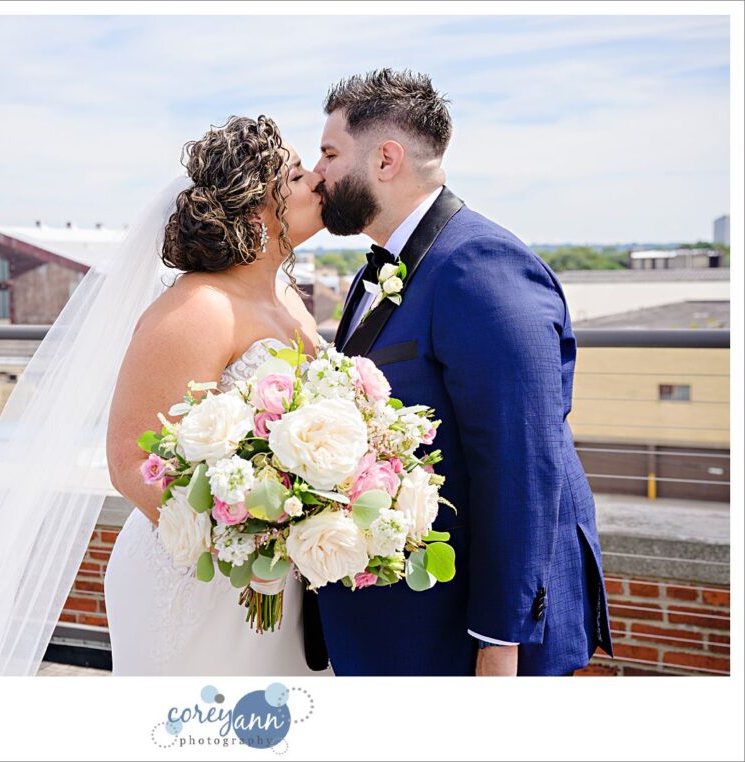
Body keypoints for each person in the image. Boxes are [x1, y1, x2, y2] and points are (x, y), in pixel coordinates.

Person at [311, 68, 614, 676]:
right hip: (410, 619)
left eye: (329, 152)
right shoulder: (379, 271)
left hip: (471, 634)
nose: (317, 172)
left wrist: (499, 641)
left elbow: (522, 464)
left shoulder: (481, 266)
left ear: (386, 159)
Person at [103, 115, 332, 675]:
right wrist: (249, 539)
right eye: (298, 174)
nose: (318, 183)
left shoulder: (287, 298)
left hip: (283, 579)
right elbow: (130, 461)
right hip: (205, 584)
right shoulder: (199, 309)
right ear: (257, 207)